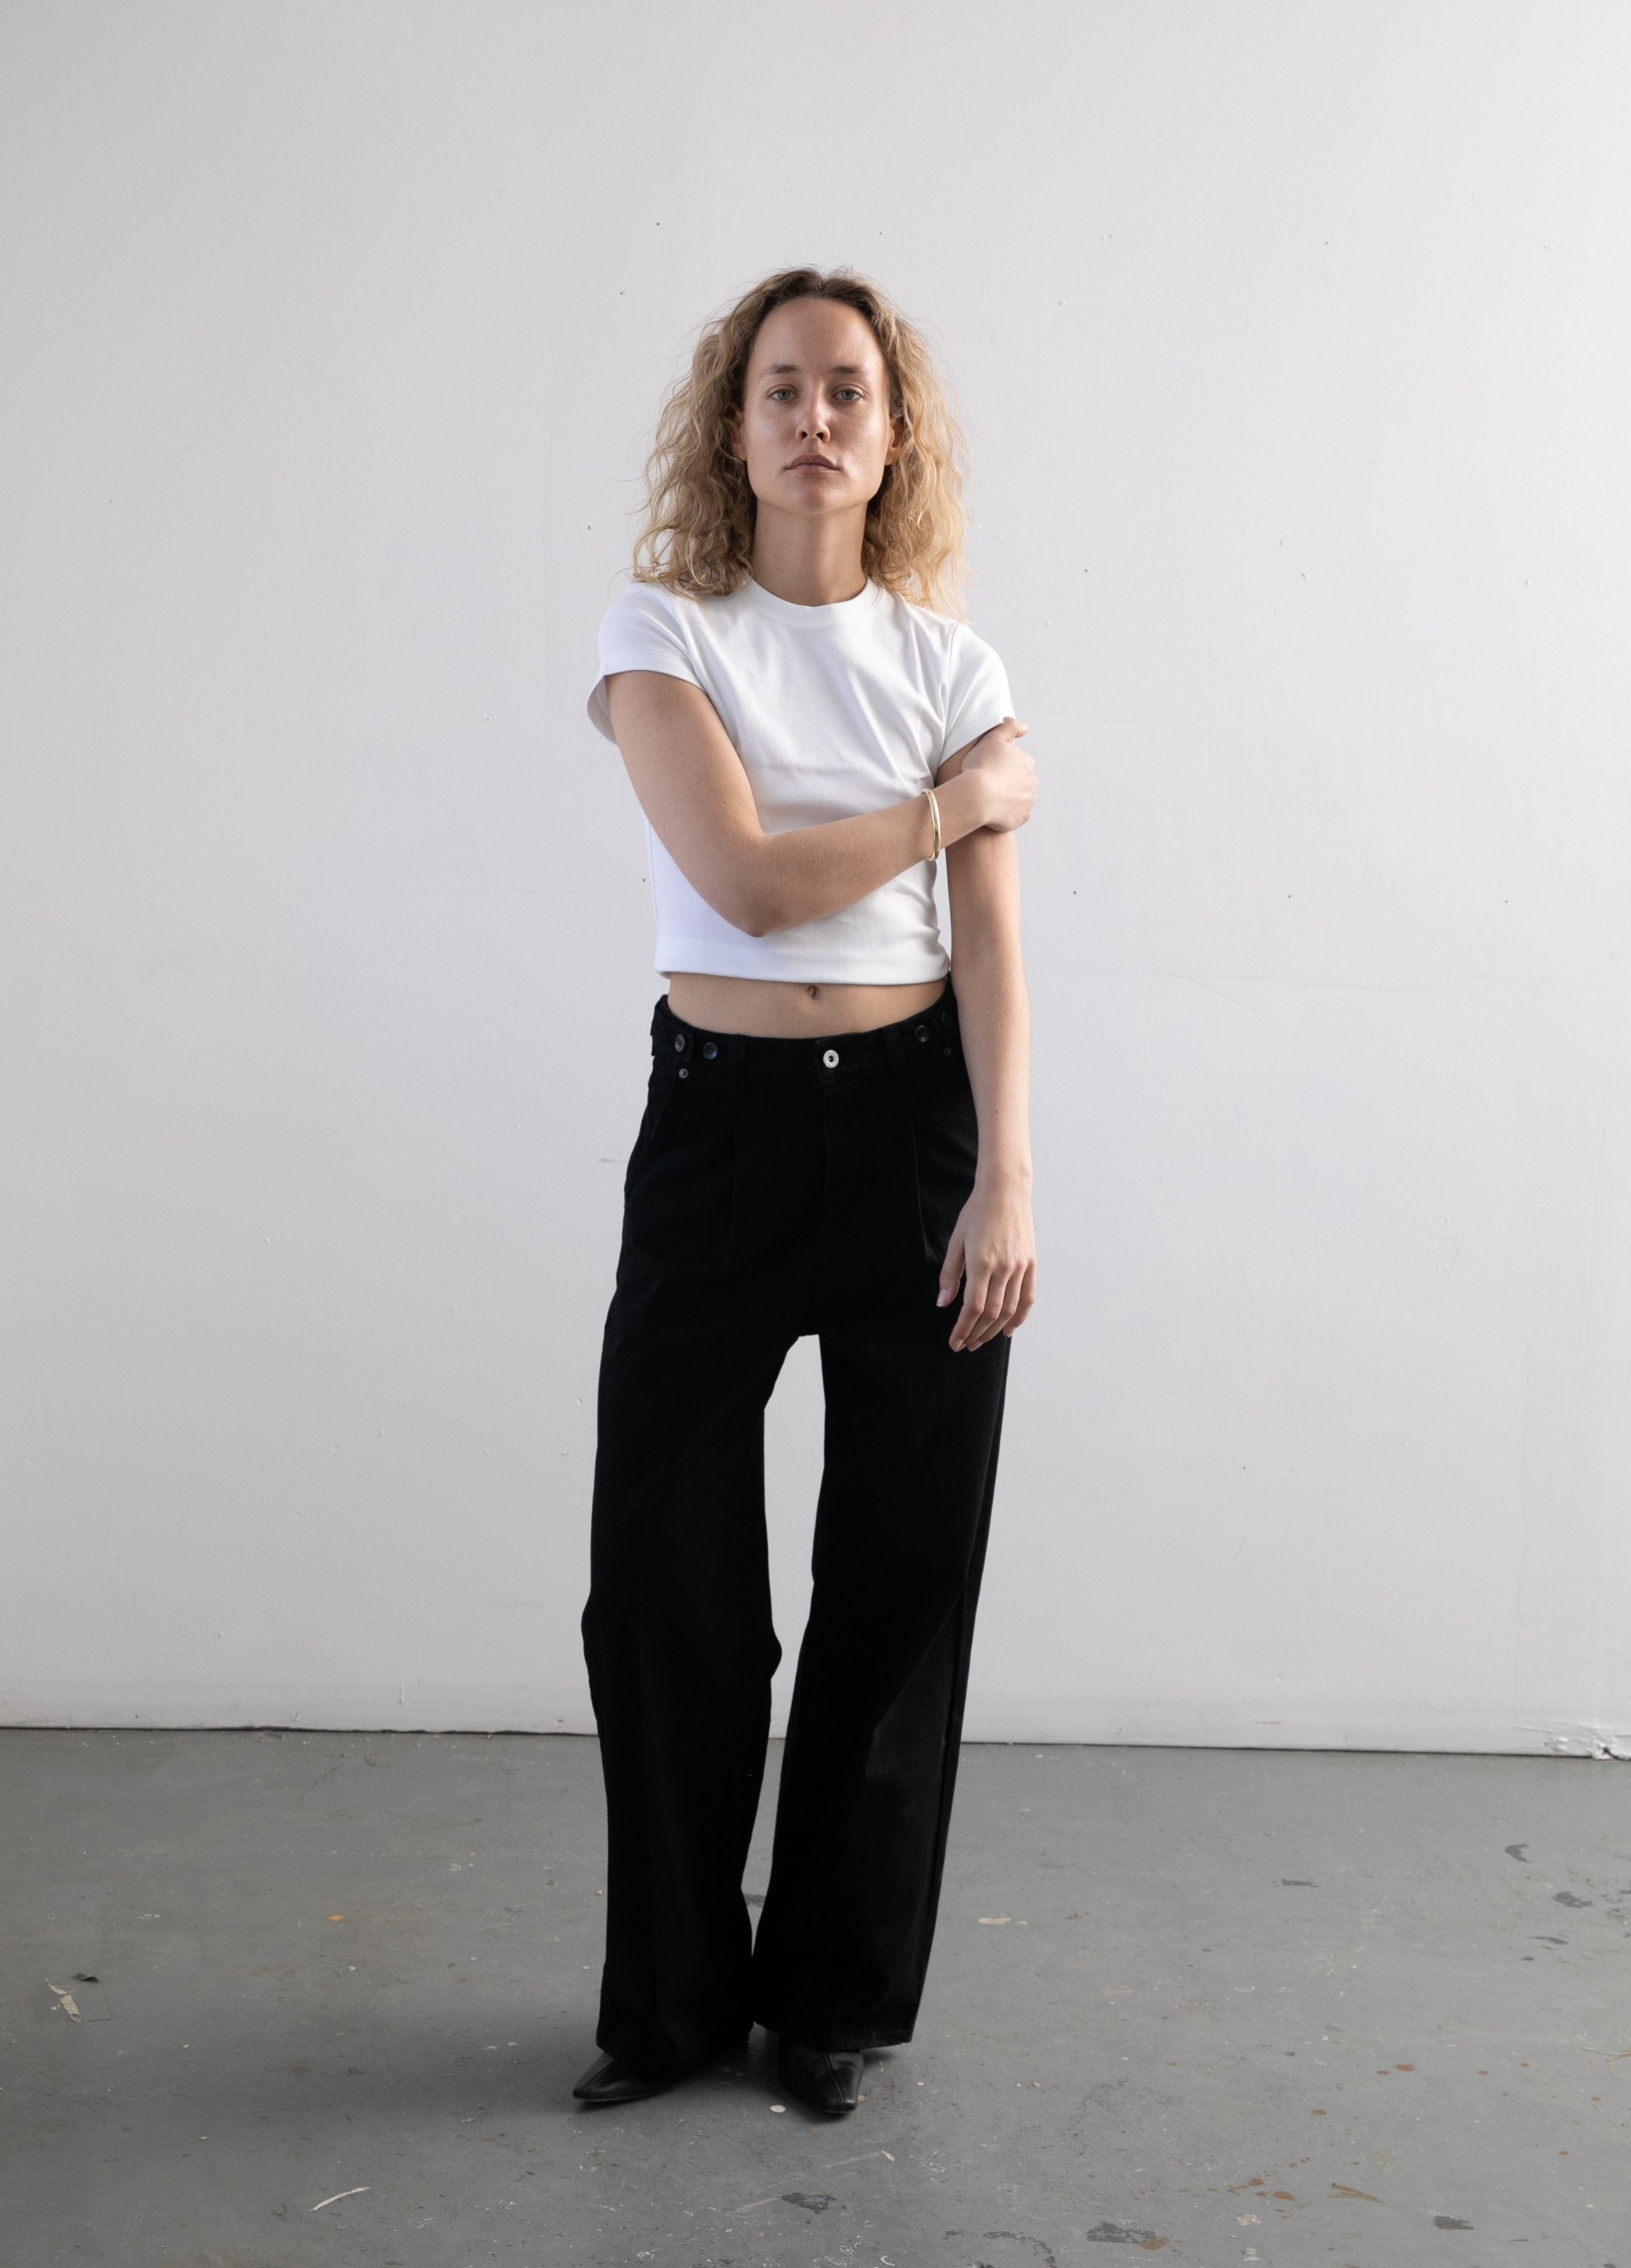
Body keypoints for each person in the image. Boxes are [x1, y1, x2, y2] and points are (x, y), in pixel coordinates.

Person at [575, 265, 1039, 2119]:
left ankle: (831, 1997)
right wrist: (953, 803)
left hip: (917, 1123)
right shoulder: (662, 632)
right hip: (721, 1132)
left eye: (848, 388)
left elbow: (993, 956)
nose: (816, 417)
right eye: (782, 388)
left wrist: (1008, 1176)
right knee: (663, 1573)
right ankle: (672, 2000)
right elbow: (751, 886)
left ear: (891, 433)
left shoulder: (955, 668)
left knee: (903, 1572)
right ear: (736, 425)